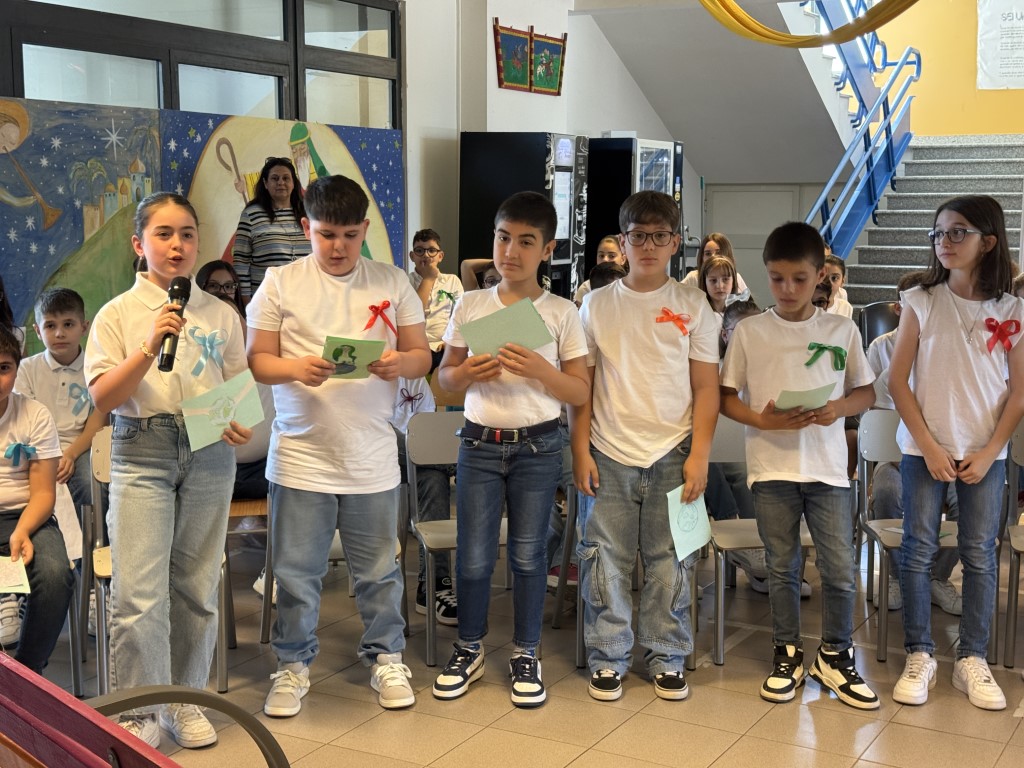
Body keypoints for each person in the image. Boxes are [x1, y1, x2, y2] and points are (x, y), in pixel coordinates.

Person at [248, 175, 430, 715]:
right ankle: (292, 664)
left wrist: (400, 362)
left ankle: (386, 656)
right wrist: (295, 368)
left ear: (365, 230)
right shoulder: (280, 282)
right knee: (295, 573)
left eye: (350, 235)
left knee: (378, 570)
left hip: (371, 455)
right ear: (307, 226)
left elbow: (422, 356)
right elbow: (257, 360)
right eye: (326, 234)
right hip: (300, 455)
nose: (338, 247)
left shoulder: (392, 281)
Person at [84, 192, 252, 749]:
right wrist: (148, 345)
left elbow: (236, 386)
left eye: (186, 233)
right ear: (139, 244)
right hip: (142, 447)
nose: (177, 245)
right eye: (163, 234)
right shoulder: (117, 314)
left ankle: (185, 697)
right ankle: (139, 711)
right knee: (139, 592)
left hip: (209, 449)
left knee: (197, 585)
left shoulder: (221, 314)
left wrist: (236, 420)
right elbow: (104, 397)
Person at [433, 191, 588, 708]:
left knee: (527, 554)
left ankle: (526, 651)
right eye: (503, 238)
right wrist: (464, 372)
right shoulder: (471, 304)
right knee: (474, 556)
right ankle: (469, 646)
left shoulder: (561, 312)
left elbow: (579, 391)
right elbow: (443, 381)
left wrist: (542, 371)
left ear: (547, 249)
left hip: (538, 446)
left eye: (525, 241)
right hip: (479, 444)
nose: (511, 252)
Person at [721, 221, 878, 710]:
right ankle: (785, 652)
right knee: (783, 567)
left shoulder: (840, 329)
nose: (787, 289)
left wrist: (838, 409)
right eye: (777, 278)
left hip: (828, 470)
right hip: (771, 469)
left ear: (821, 276)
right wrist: (761, 420)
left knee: (839, 568)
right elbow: (726, 397)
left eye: (799, 279)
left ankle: (835, 654)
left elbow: (866, 392)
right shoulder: (750, 331)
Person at [572, 191, 719, 703]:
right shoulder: (596, 305)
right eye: (639, 237)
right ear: (623, 241)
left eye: (660, 236)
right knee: (604, 558)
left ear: (676, 243)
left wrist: (700, 455)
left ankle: (667, 654)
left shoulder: (693, 304)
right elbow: (583, 387)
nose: (649, 246)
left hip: (674, 451)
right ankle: (608, 655)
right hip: (608, 450)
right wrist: (581, 450)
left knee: (670, 559)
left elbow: (707, 388)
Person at [888, 195, 1024, 711]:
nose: (944, 241)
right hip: (924, 450)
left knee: (980, 554)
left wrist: (990, 452)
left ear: (988, 241)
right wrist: (927, 445)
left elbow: (1018, 394)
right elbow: (897, 382)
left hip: (984, 453)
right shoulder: (922, 300)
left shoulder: (1011, 310)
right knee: (919, 549)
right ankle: (919, 652)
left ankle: (973, 657)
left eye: (957, 232)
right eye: (938, 233)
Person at [866, 271, 963, 614]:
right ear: (899, 308)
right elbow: (874, 409)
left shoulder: (949, 344)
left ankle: (936, 576)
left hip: (944, 455)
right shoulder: (882, 348)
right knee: (888, 491)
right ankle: (896, 576)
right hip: (895, 455)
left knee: (966, 500)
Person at [0, 325, 74, 674]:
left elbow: (44, 493)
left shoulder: (34, 414)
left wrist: (22, 531)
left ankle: (28, 673)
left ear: (18, 368)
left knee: (56, 575)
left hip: (27, 516)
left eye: (4, 368)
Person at [390, 376, 457, 625]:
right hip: (373, 462)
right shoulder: (362, 378)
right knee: (386, 435)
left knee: (434, 478)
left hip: (418, 465)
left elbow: (428, 430)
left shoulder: (413, 376)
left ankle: (433, 585)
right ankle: (460, 464)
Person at [232, 157, 311, 301]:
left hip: (305, 300)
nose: (281, 182)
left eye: (286, 178)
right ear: (265, 183)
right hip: (265, 301)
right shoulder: (251, 215)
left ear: (293, 183)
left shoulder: (309, 214)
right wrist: (246, 304)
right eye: (275, 178)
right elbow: (241, 264)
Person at [408, 228, 463, 372]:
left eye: (432, 250)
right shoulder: (405, 281)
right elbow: (413, 314)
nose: (426, 255)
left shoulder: (452, 281)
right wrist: (428, 278)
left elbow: (460, 317)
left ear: (440, 256)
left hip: (443, 346)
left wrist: (450, 341)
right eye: (419, 251)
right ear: (412, 256)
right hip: (415, 347)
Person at [681, 232, 749, 293]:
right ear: (702, 257)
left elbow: (747, 301)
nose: (713, 257)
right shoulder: (693, 278)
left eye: (718, 253)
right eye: (708, 254)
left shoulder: (736, 277)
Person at [574, 235, 626, 305]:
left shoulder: (632, 286)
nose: (605, 259)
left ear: (623, 259)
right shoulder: (586, 288)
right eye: (601, 256)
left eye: (611, 256)